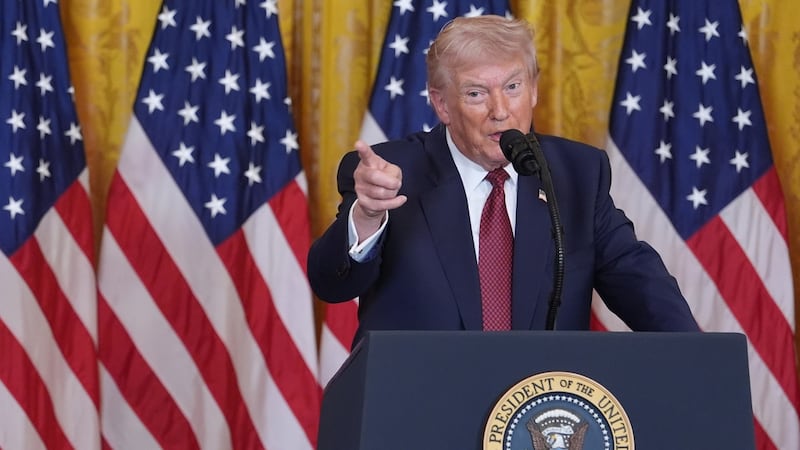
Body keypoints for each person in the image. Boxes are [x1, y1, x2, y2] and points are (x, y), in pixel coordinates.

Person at [307, 14, 699, 348]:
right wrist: (369, 216)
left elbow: (636, 278)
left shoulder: (576, 172)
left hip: (536, 418)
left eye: (513, 87)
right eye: (477, 93)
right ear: (442, 104)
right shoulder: (395, 173)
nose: (500, 111)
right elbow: (332, 285)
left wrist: (698, 356)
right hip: (418, 412)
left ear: (534, 90)